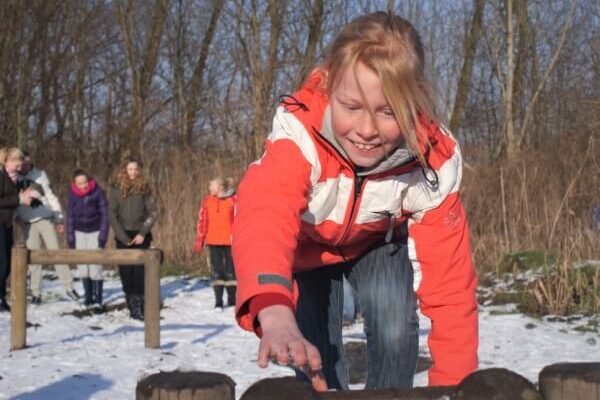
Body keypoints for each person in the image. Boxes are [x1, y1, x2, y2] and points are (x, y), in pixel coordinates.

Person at [232, 12, 478, 392]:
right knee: (316, 350)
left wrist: (456, 384)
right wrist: (274, 308)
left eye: (387, 112)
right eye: (352, 107)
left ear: (414, 104)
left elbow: (450, 284)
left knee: (393, 316)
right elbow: (264, 214)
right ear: (329, 88)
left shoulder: (431, 163)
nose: (366, 130)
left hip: (374, 245)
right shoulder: (301, 139)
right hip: (307, 249)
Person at [17, 151, 79, 304]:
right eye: (21, 161)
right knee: (34, 258)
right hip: (27, 223)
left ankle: (69, 288)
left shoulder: (40, 175)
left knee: (56, 253)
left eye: (26, 160)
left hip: (45, 218)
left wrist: (58, 218)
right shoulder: (14, 177)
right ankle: (36, 293)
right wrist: (16, 218)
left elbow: (51, 196)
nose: (24, 163)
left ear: (30, 160)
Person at [109, 158, 157, 320]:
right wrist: (122, 236)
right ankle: (131, 303)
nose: (133, 172)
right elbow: (112, 215)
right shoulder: (115, 189)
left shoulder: (145, 188)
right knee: (126, 272)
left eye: (136, 169)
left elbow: (153, 213)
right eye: (130, 169)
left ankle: (140, 304)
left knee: (140, 271)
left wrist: (142, 233)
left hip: (141, 234)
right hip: (123, 235)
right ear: (124, 170)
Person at [0, 148, 37, 312]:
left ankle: (1, 297)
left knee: (6, 264)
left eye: (20, 164)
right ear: (7, 161)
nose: (19, 166)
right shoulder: (1, 176)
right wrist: (19, 199)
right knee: (2, 264)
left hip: (7, 223)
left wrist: (17, 213)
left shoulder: (13, 178)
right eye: (16, 163)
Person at [66, 169, 109, 310]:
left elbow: (105, 215)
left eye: (85, 182)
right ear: (75, 184)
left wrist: (102, 237)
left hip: (95, 231)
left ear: (89, 181)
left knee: (95, 265)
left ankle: (98, 299)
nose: (83, 185)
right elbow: (70, 217)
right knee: (83, 266)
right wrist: (71, 239)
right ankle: (88, 297)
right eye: (80, 183)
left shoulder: (97, 192)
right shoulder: (72, 195)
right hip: (79, 232)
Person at [194, 177, 237, 311]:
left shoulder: (233, 201)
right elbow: (202, 221)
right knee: (217, 271)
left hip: (230, 241)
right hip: (213, 241)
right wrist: (200, 239)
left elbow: (239, 220)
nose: (209, 188)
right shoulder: (207, 201)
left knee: (231, 271)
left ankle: (232, 299)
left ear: (220, 187)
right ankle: (218, 301)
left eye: (211, 186)